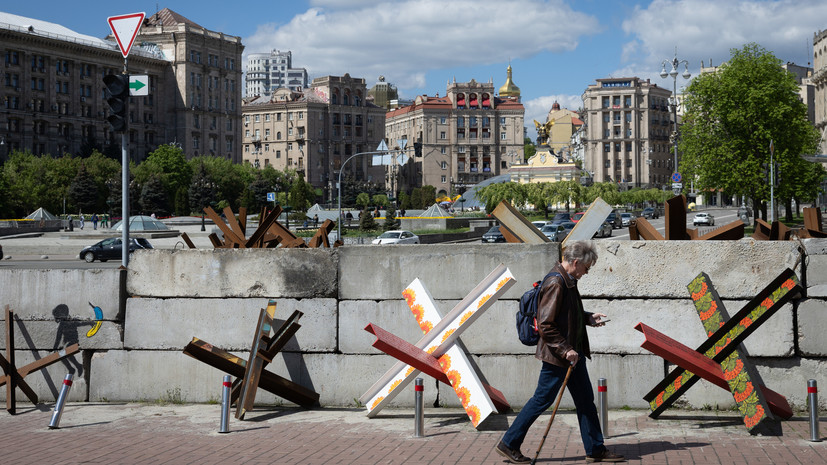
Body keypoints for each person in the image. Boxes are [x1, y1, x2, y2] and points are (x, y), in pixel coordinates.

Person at [495, 241, 625, 464]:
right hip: (559, 357)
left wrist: (588, 318)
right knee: (541, 400)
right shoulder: (557, 282)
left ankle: (595, 449)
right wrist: (565, 350)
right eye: (586, 268)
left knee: (585, 401)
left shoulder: (567, 280)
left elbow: (567, 314)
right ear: (575, 262)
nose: (586, 272)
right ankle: (509, 443)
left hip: (573, 355)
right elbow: (546, 325)